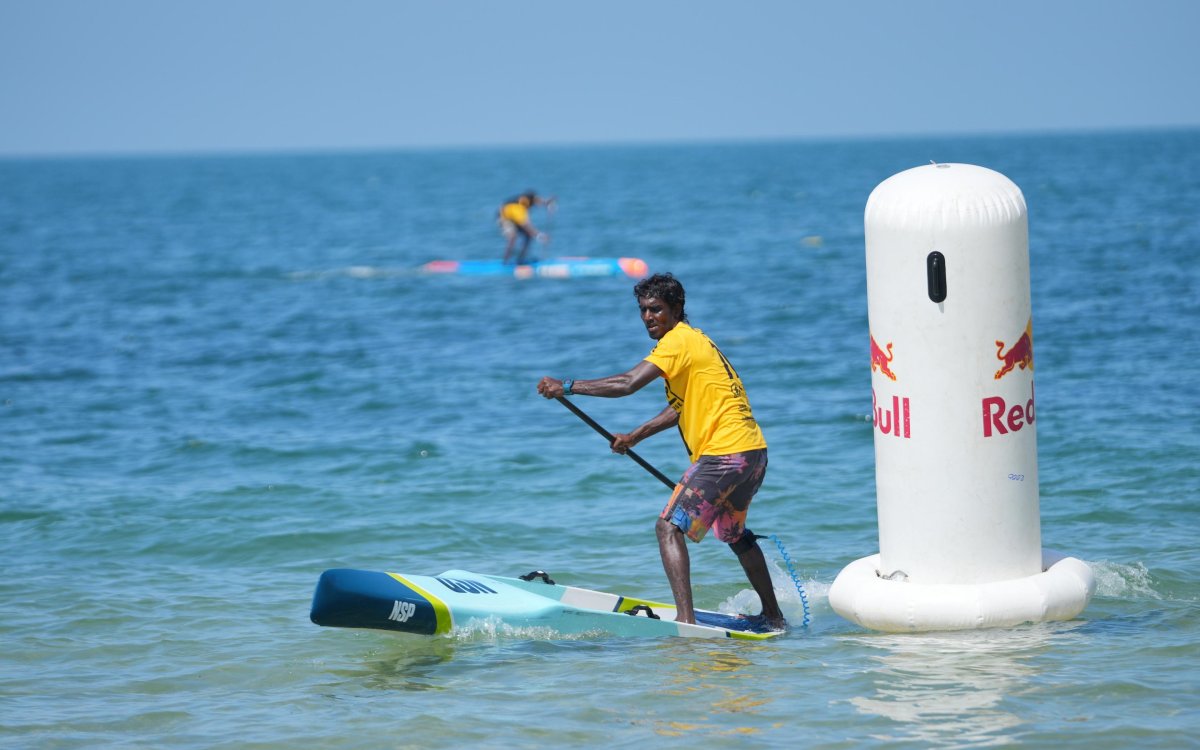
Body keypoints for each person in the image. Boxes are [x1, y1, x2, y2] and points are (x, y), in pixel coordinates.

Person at [536, 272, 786, 630]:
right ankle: (774, 617)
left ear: (677, 309)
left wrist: (569, 386)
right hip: (752, 454)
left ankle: (684, 623)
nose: (648, 317)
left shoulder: (677, 341)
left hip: (724, 453)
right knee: (733, 534)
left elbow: (628, 383)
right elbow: (681, 407)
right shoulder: (696, 342)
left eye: (656, 309)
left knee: (668, 528)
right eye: (643, 310)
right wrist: (636, 436)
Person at [498, 190, 556, 264]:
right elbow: (526, 226)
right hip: (504, 218)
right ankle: (505, 261)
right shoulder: (519, 209)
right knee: (513, 237)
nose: (536, 203)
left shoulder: (527, 199)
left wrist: (547, 203)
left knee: (528, 236)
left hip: (515, 218)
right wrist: (540, 235)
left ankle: (520, 259)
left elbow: (537, 200)